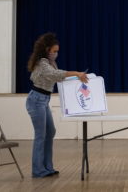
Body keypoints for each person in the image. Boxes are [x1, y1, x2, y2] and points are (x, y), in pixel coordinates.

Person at [26, 32, 88, 178]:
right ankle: (38, 170)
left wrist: (77, 77)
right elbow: (56, 75)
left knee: (50, 132)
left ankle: (47, 167)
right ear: (47, 49)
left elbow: (59, 78)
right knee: (40, 135)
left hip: (43, 100)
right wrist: (76, 73)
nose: (56, 54)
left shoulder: (50, 63)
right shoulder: (42, 63)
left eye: (57, 51)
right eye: (54, 51)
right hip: (36, 100)